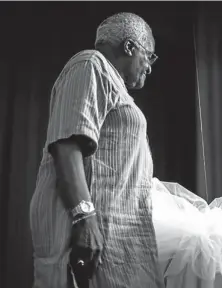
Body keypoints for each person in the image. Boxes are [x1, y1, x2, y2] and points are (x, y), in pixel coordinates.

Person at [29, 12, 163, 288]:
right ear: (129, 47)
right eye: (149, 56)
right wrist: (84, 217)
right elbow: (67, 145)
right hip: (87, 229)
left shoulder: (112, 83)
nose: (149, 67)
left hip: (116, 235)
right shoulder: (91, 65)